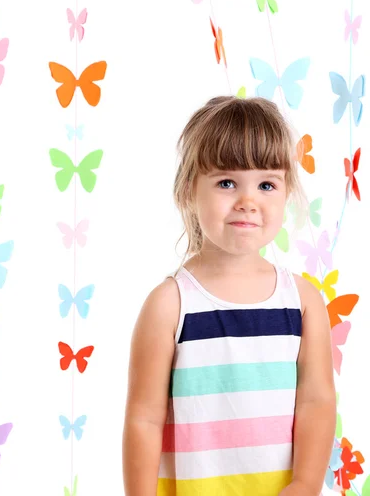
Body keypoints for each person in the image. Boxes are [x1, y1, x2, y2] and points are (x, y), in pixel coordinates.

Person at [122, 96, 336, 496]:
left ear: (286, 192)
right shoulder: (170, 304)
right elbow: (144, 419)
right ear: (189, 190)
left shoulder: (303, 302)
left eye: (266, 184)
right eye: (226, 182)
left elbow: (317, 402)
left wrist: (306, 482)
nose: (248, 201)